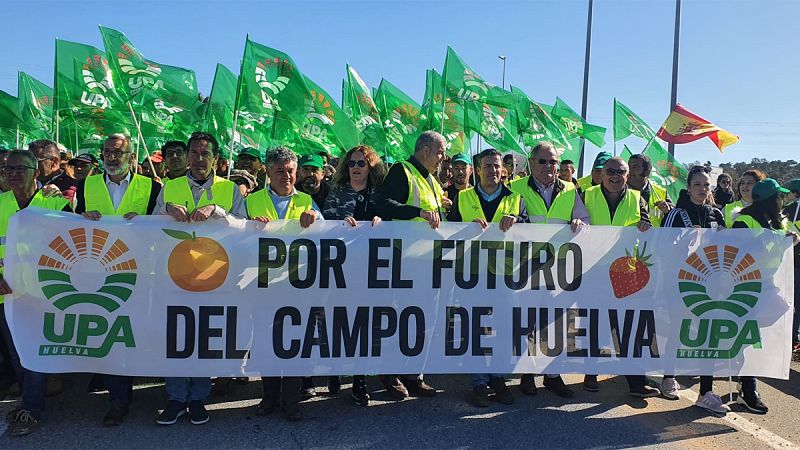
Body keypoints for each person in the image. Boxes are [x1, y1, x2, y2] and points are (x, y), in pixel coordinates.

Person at [154, 132, 246, 426]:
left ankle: (198, 398)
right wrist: (167, 209)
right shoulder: (170, 186)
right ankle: (176, 397)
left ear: (216, 160)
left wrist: (218, 211)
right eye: (194, 152)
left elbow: (243, 227)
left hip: (213, 275)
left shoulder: (230, 189)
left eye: (205, 153)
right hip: (176, 274)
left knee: (204, 336)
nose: (198, 158)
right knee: (177, 336)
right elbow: (150, 224)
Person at [72, 134, 162, 426]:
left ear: (131, 157)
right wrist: (83, 215)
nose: (112, 157)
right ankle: (118, 400)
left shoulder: (152, 187)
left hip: (141, 273)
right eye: (107, 152)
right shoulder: (88, 185)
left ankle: (142, 383)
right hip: (100, 273)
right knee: (112, 336)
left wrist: (148, 221)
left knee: (136, 334)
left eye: (119, 152)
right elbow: (73, 223)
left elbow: (162, 229)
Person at [247, 147, 323, 421]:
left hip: (297, 285)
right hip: (263, 284)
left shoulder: (307, 201)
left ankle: (291, 401)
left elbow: (325, 233)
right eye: (280, 171)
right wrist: (248, 225)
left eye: (291, 171)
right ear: (268, 171)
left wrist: (315, 218)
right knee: (266, 341)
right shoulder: (251, 201)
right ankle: (269, 397)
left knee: (294, 343)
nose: (286, 176)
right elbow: (233, 232)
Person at [447, 148, 527, 407]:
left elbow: (530, 230)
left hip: (504, 274)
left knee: (503, 328)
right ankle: (479, 382)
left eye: (496, 166)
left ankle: (499, 377)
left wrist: (516, 220)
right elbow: (448, 233)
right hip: (472, 273)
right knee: (475, 328)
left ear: (503, 170)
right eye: (487, 166)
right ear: (477, 169)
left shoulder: (516, 199)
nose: (492, 170)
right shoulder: (462, 197)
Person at [0, 150, 71, 437]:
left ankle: (32, 406)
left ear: (36, 171)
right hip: (7, 294)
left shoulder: (55, 204)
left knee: (37, 350)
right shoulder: (0, 204)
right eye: (8, 169)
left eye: (21, 168)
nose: (14, 174)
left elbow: (75, 241)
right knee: (18, 353)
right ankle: (32, 399)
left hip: (45, 294)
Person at [509, 142, 588, 398]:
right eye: (542, 161)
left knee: (555, 323)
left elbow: (585, 220)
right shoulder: (516, 188)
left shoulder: (569, 190)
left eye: (553, 162)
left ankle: (553, 375)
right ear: (531, 163)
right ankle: (528, 374)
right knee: (528, 322)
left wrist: (579, 222)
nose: (548, 167)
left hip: (558, 267)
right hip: (527, 266)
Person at [375, 131, 448, 399]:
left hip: (428, 261)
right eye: (440, 152)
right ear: (425, 150)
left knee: (423, 321)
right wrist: (417, 213)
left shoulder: (431, 179)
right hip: (404, 260)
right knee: (401, 319)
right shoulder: (401, 171)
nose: (443, 158)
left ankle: (414, 373)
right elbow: (383, 204)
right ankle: (390, 372)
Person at [582, 157, 659, 397]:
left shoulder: (638, 198)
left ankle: (636, 381)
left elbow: (647, 223)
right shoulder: (586, 195)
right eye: (610, 171)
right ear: (601, 174)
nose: (615, 176)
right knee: (596, 323)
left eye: (621, 172)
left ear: (628, 175)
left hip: (626, 273)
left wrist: (646, 224)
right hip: (593, 271)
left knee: (629, 326)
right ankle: (591, 372)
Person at [661, 166, 729, 411]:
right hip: (679, 282)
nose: (702, 189)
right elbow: (661, 245)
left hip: (709, 284)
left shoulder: (717, 215)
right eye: (698, 185)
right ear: (688, 187)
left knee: (707, 335)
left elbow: (727, 248)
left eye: (706, 185)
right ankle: (669, 377)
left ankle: (706, 391)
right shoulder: (677, 214)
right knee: (679, 331)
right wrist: (683, 244)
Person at [323, 145, 385, 407]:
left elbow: (393, 222)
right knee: (338, 321)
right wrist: (340, 225)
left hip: (368, 270)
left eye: (362, 163)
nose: (356, 168)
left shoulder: (379, 194)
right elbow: (323, 223)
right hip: (340, 269)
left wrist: (384, 221)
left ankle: (359, 381)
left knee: (364, 325)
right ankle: (335, 369)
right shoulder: (337, 193)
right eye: (352, 163)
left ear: (370, 167)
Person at [731, 178, 800, 414]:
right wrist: (771, 242)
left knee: (757, 335)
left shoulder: (778, 223)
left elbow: (778, 247)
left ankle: (742, 375)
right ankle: (748, 389)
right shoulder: (744, 220)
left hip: (767, 287)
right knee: (749, 337)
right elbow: (736, 253)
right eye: (779, 196)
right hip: (745, 288)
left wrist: (790, 241)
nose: (783, 199)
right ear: (772, 199)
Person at [627, 154, 673, 227]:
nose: (629, 171)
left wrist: (668, 211)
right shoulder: (618, 192)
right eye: (628, 167)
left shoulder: (661, 193)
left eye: (635, 167)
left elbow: (675, 219)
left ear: (647, 172)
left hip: (655, 238)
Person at [781, 179, 800, 353]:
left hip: (792, 262)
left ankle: (790, 338)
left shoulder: (789, 210)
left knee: (789, 303)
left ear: (794, 193)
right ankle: (795, 338)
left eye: (788, 193)